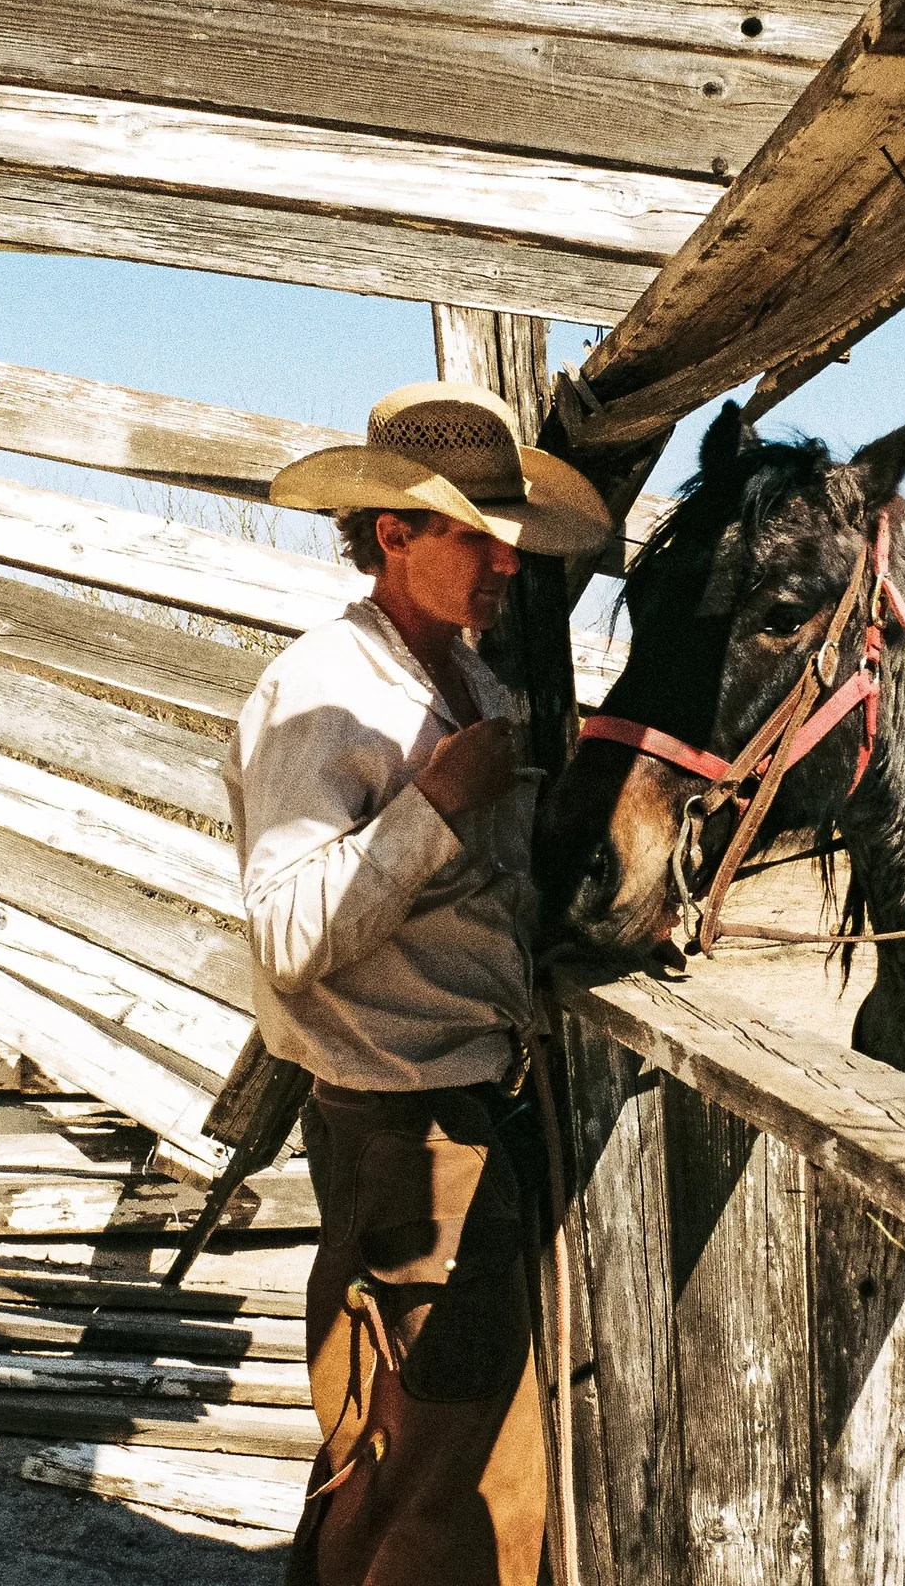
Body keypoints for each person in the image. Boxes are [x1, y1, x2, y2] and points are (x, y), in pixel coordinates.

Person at [228, 381, 611, 1586]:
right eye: (473, 536)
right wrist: (437, 799)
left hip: (465, 1109)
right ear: (391, 533)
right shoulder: (325, 693)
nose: (504, 564)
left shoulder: (467, 683)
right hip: (407, 1124)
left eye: (509, 537)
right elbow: (289, 930)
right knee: (446, 1470)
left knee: (416, 1456)